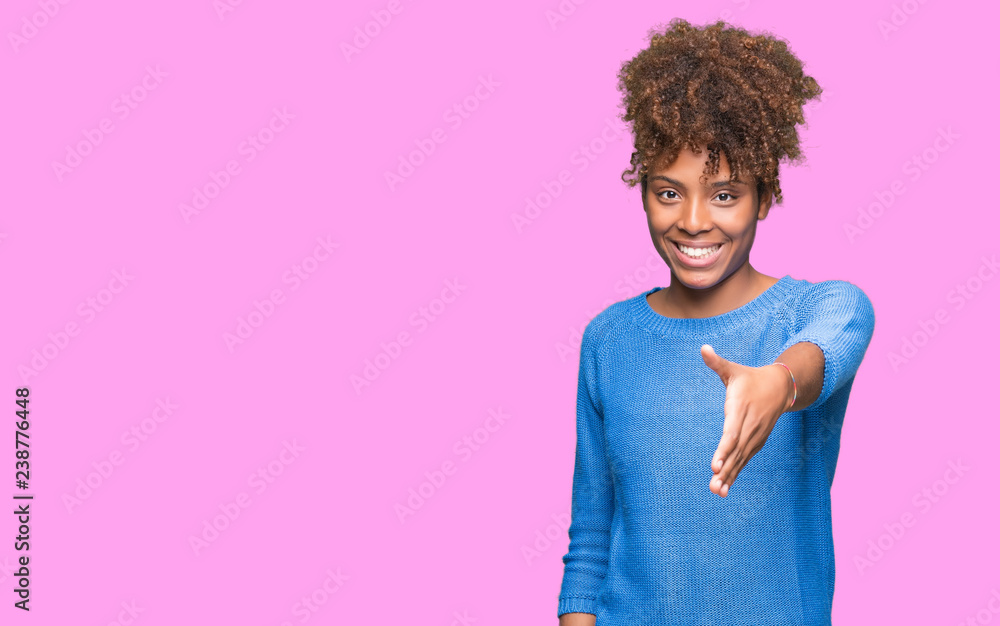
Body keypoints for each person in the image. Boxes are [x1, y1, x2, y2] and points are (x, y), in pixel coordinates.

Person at [557, 18, 876, 626]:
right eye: (668, 192)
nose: (694, 221)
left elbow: (833, 338)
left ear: (764, 195)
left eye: (725, 194)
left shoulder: (812, 313)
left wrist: (778, 384)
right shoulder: (608, 340)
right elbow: (590, 543)